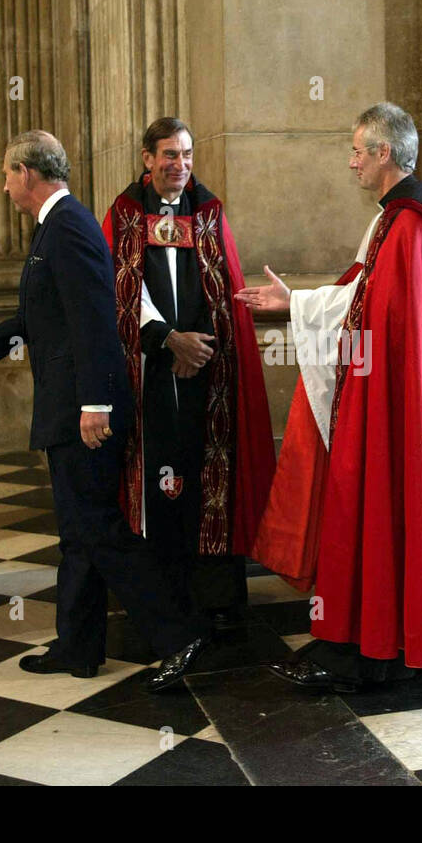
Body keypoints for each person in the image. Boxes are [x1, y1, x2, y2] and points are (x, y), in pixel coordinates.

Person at [237, 103, 422, 692]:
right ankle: (380, 643)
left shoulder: (409, 227)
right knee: (382, 514)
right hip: (390, 400)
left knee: (371, 507)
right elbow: (362, 296)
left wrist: (294, 305)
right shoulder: (403, 220)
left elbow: (380, 314)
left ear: (383, 153)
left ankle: (369, 653)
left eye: (356, 150)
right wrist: (297, 302)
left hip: (392, 409)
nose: (350, 162)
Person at [0, 130, 208, 691]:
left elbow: (96, 320)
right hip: (72, 408)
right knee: (78, 532)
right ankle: (79, 646)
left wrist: (95, 404)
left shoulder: (69, 227)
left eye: (7, 175)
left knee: (99, 530)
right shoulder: (55, 228)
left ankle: (180, 633)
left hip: (86, 413)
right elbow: (32, 323)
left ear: (27, 173)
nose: (5, 188)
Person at [98, 117, 275, 631]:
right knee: (158, 477)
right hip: (150, 368)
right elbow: (119, 288)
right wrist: (165, 340)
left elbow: (224, 293)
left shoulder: (209, 214)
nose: (180, 165)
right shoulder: (126, 215)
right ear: (147, 159)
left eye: (188, 155)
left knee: (208, 474)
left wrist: (196, 345)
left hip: (206, 368)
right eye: (169, 155)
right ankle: (159, 592)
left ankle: (215, 595)